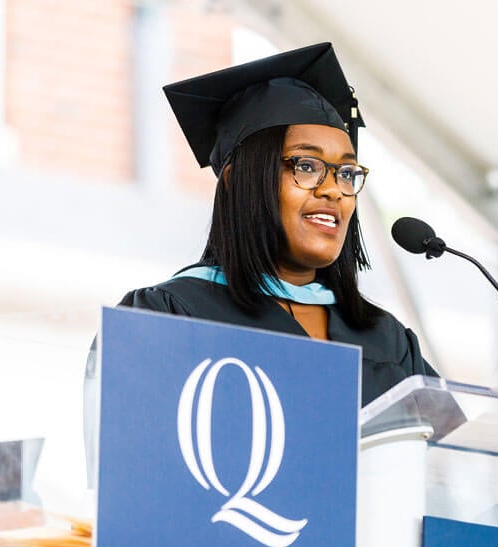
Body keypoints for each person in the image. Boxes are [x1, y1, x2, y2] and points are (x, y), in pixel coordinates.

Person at [119, 42, 436, 406]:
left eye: (346, 173)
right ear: (237, 181)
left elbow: (446, 456)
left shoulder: (387, 340)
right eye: (306, 166)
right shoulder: (168, 316)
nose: (334, 190)